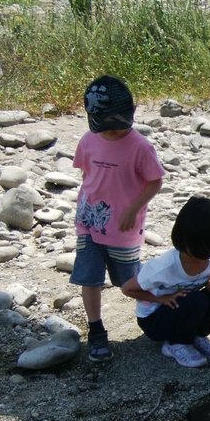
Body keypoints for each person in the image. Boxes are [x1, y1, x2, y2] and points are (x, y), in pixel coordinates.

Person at [69, 75, 165, 363]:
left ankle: (160, 313)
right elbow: (87, 176)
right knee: (90, 277)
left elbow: (155, 181)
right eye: (104, 129)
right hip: (88, 223)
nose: (109, 134)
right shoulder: (89, 140)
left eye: (114, 128)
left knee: (130, 283)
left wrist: (133, 208)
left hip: (123, 229)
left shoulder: (140, 147)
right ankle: (96, 329)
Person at [121, 196, 210, 368]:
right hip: (155, 319)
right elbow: (127, 289)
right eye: (203, 249)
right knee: (196, 300)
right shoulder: (165, 266)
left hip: (186, 308)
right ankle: (176, 343)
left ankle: (197, 335)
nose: (209, 254)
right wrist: (161, 299)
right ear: (186, 241)